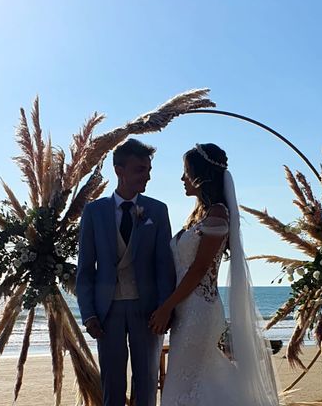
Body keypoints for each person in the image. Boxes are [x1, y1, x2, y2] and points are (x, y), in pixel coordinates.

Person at [149, 143, 280, 406]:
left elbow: (199, 269)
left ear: (201, 174)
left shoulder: (218, 213)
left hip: (199, 310)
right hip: (188, 309)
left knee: (187, 380)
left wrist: (167, 307)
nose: (182, 178)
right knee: (196, 378)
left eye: (186, 171)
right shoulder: (201, 214)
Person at [76, 138, 176, 406]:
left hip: (148, 311)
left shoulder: (158, 210)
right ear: (119, 170)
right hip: (107, 312)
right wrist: (88, 314)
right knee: (112, 385)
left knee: (146, 384)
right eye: (141, 169)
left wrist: (164, 309)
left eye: (149, 170)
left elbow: (164, 266)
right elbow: (85, 269)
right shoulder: (94, 212)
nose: (148, 176)